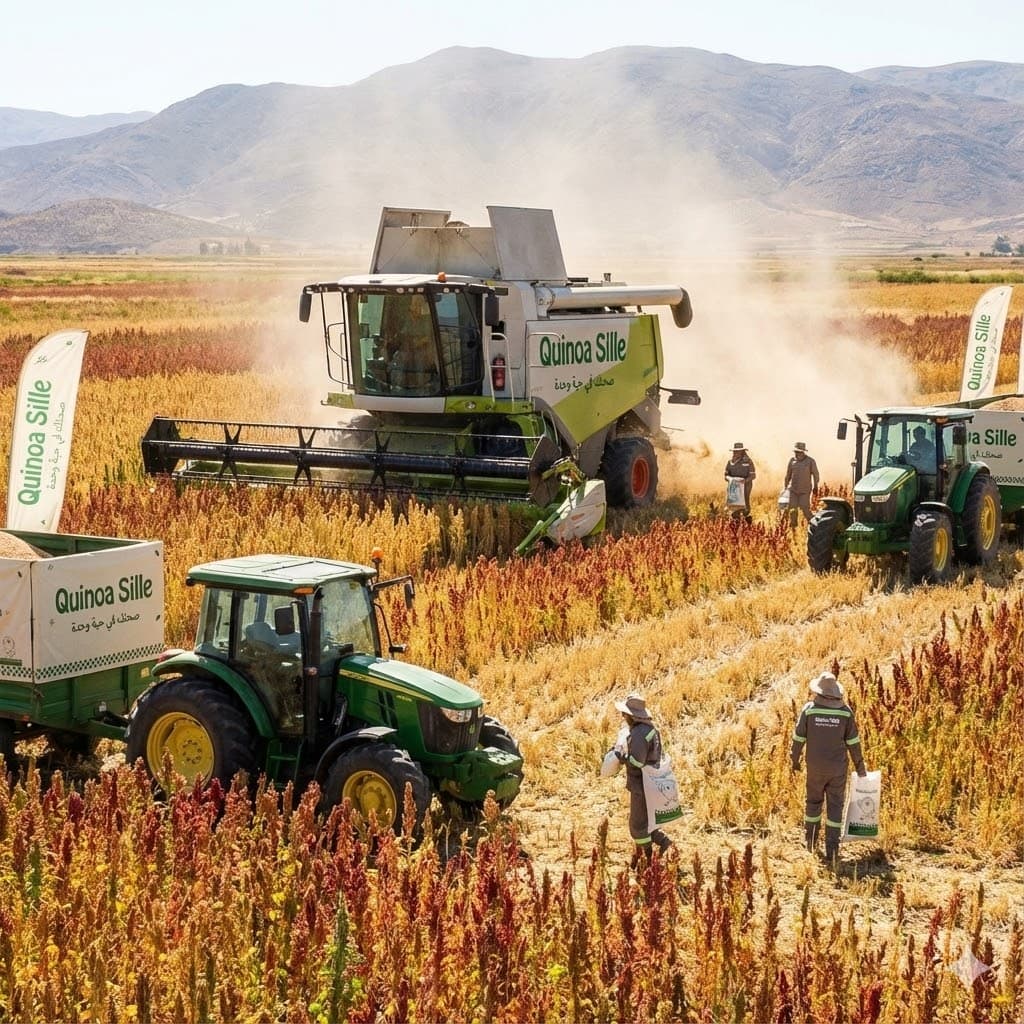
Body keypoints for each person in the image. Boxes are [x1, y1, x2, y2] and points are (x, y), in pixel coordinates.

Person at [790, 671, 868, 865]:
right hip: (838, 770)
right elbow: (853, 742)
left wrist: (794, 760)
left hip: (815, 767)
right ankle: (832, 849)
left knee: (813, 803)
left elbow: (799, 737)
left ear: (818, 692)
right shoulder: (845, 712)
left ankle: (811, 842)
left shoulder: (809, 710)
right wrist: (861, 768)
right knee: (835, 806)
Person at [612, 693, 673, 861]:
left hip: (641, 783)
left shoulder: (639, 733)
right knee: (647, 819)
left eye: (624, 714)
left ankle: (645, 859)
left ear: (631, 715)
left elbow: (637, 761)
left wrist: (620, 756)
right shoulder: (650, 729)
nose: (623, 716)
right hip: (652, 780)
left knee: (637, 824)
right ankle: (663, 841)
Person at [389, 294, 439, 393]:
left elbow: (429, 338)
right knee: (396, 364)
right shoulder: (407, 319)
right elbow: (402, 335)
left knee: (420, 369)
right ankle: (395, 389)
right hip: (406, 350)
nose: (416, 307)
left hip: (422, 353)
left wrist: (417, 342)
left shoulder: (428, 320)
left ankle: (422, 391)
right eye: (414, 304)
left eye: (418, 304)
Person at [784, 441, 820, 530]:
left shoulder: (810, 461)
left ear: (803, 452)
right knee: (792, 510)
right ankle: (793, 529)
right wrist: (785, 488)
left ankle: (815, 527)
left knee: (805, 510)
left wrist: (816, 486)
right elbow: (788, 475)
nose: (797, 454)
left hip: (805, 491)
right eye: (796, 452)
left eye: (799, 452)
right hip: (793, 490)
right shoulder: (792, 461)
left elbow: (816, 475)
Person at [724, 442, 756, 523]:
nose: (736, 453)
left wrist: (744, 481)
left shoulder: (748, 461)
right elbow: (726, 475)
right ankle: (736, 520)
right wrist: (731, 479)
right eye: (735, 451)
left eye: (738, 451)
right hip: (733, 486)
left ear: (742, 452)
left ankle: (747, 520)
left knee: (745, 503)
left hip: (745, 486)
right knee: (734, 504)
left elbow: (753, 476)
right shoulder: (730, 462)